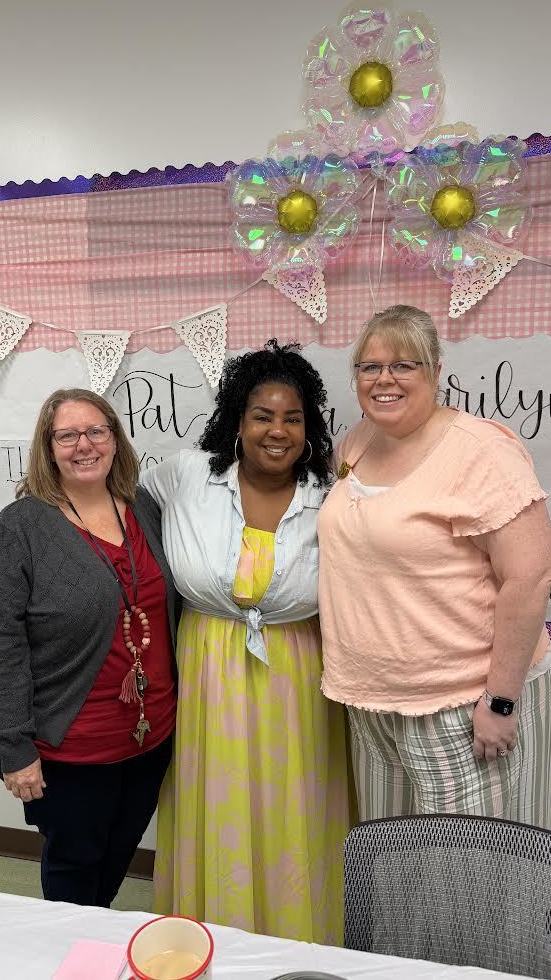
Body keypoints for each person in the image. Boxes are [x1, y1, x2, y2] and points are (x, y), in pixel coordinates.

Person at [141, 340, 351, 944]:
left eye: (293, 417)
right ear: (237, 420)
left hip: (298, 672)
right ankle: (215, 934)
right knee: (218, 804)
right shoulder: (185, 475)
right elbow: (118, 501)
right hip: (206, 665)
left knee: (294, 807)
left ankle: (297, 932)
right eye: (262, 415)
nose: (277, 431)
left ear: (309, 427)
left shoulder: (330, 495)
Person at [318, 305, 551, 826]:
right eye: (370, 366)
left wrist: (500, 701)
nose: (385, 379)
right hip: (372, 700)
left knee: (473, 875)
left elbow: (531, 577)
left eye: (404, 365)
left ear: (435, 370)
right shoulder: (358, 442)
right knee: (397, 865)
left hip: (461, 703)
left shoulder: (481, 451)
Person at [0, 388, 179, 907]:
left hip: (149, 739)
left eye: (96, 431)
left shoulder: (143, 507)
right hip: (71, 749)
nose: (83, 445)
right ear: (48, 448)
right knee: (73, 871)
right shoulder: (20, 527)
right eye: (67, 435)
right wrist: (12, 750)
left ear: (115, 439)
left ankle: (93, 945)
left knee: (114, 859)